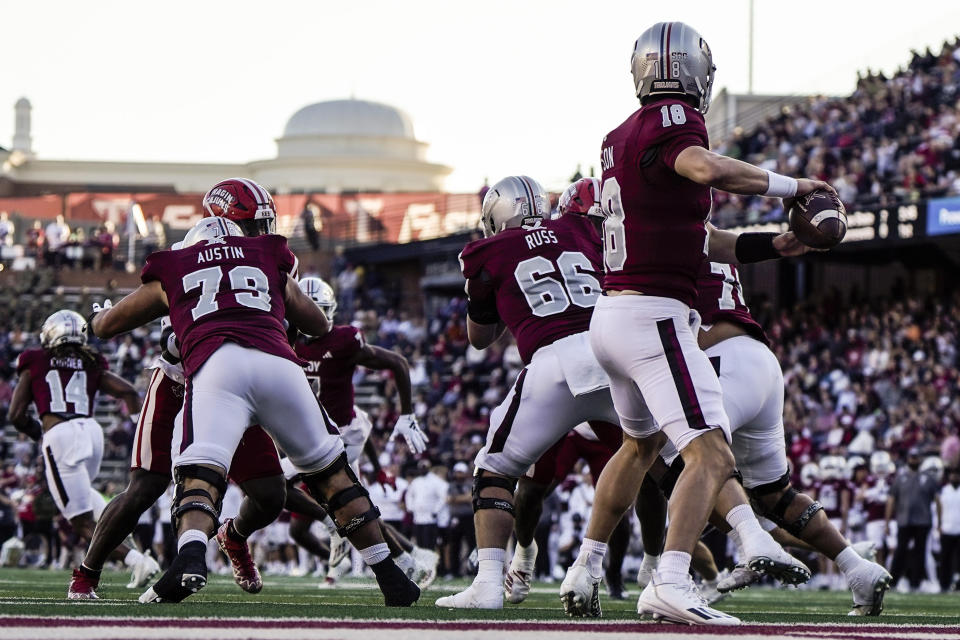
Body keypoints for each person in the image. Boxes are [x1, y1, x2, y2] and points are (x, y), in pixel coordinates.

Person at [560, 22, 837, 626]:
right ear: (694, 71)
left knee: (638, 447)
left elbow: (703, 241)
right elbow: (706, 168)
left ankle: (585, 563)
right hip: (653, 315)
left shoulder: (618, 137)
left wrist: (778, 245)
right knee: (711, 455)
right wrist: (796, 185)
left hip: (613, 315)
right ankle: (671, 580)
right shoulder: (676, 121)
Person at [88, 215, 419, 606]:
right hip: (278, 363)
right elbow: (316, 322)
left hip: (217, 364)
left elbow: (107, 326)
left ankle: (191, 557)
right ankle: (388, 572)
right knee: (333, 475)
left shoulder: (174, 265)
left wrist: (97, 314)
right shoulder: (264, 255)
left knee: (202, 472)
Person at [71, 179, 298, 599]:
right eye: (254, 224)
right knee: (145, 487)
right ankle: (86, 573)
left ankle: (233, 536)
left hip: (235, 386)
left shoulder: (268, 260)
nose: (261, 234)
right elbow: (168, 339)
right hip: (181, 383)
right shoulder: (189, 254)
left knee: (269, 494)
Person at [436, 175, 627, 611]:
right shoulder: (578, 227)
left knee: (495, 470)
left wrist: (494, 294)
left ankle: (488, 585)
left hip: (556, 361)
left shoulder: (486, 250)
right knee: (670, 465)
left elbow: (480, 338)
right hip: (615, 352)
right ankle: (676, 573)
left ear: (494, 216)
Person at [288, 276, 434, 587]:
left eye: (319, 309)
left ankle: (330, 522)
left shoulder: (343, 341)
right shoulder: (289, 341)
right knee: (356, 507)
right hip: (316, 436)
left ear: (330, 312)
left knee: (276, 482)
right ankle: (409, 559)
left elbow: (397, 361)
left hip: (343, 434)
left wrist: (406, 413)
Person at [7, 310, 156, 590]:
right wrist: (140, 430)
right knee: (85, 495)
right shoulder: (90, 361)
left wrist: (39, 433)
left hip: (60, 435)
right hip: (91, 432)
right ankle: (125, 532)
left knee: (79, 521)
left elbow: (16, 415)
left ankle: (136, 560)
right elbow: (129, 392)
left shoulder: (35, 358)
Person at [886, 448, 942, 592]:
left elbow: (938, 501)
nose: (914, 460)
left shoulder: (928, 478)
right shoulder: (900, 478)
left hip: (923, 521)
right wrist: (887, 521)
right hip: (904, 520)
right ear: (908, 459)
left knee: (920, 552)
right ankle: (893, 582)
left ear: (920, 460)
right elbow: (891, 500)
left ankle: (915, 583)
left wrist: (939, 522)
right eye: (912, 457)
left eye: (916, 457)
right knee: (900, 552)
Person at [939, 467, 960, 592]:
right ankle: (944, 584)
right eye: (953, 475)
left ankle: (958, 585)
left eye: (957, 475)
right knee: (945, 559)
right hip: (946, 529)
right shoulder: (943, 491)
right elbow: (938, 509)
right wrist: (939, 525)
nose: (955, 477)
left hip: (959, 530)